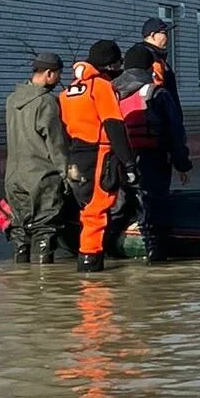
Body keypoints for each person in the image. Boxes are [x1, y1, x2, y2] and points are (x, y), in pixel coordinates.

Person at [59, 40, 138, 272]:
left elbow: (62, 130)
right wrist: (130, 164)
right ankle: (91, 271)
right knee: (96, 213)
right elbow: (114, 125)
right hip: (99, 154)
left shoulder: (68, 92)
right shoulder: (101, 87)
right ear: (109, 65)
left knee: (86, 210)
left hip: (75, 156)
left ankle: (87, 266)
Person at [113, 45, 193, 263]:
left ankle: (107, 250)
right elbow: (175, 133)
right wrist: (182, 164)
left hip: (117, 160)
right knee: (154, 206)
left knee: (119, 205)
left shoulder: (111, 92)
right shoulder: (157, 93)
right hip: (152, 159)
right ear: (149, 67)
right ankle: (155, 254)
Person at [4, 52, 70, 263]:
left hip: (13, 178)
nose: (59, 79)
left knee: (20, 231)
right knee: (45, 229)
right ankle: (43, 287)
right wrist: (67, 174)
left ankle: (22, 284)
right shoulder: (46, 102)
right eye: (58, 74)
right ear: (49, 73)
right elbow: (55, 144)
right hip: (41, 177)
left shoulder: (12, 100)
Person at [135, 17, 182, 119]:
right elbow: (157, 91)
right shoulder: (149, 58)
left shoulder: (157, 57)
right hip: (159, 119)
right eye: (164, 33)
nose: (167, 37)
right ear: (152, 35)